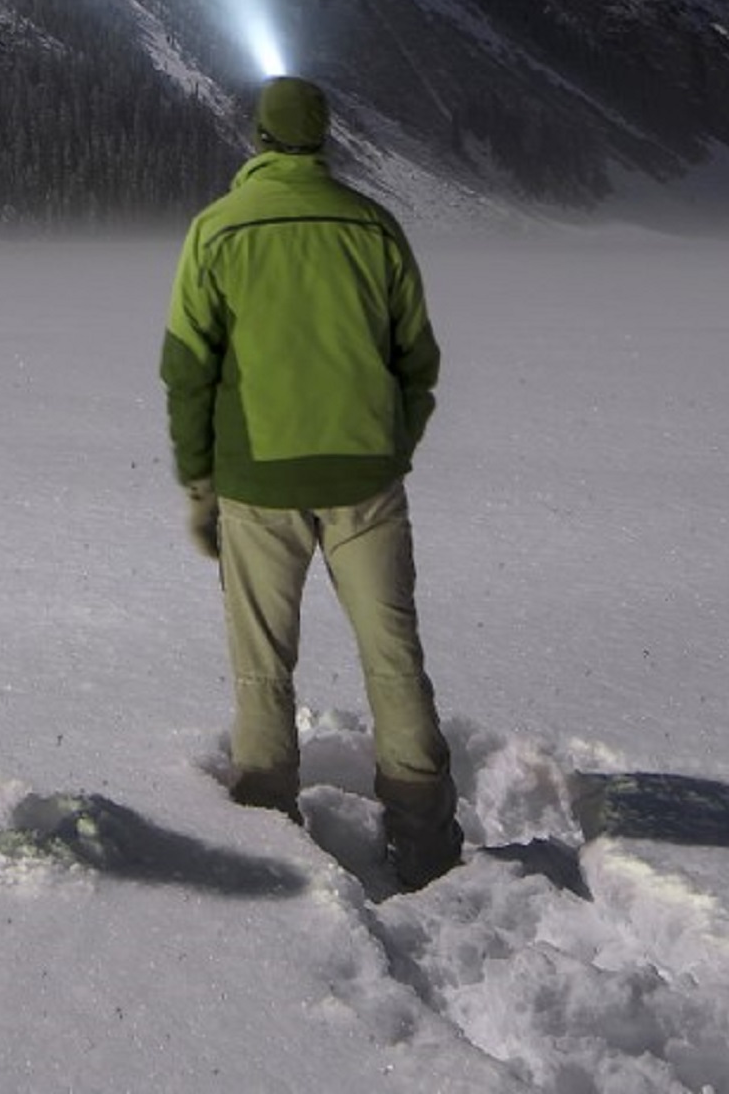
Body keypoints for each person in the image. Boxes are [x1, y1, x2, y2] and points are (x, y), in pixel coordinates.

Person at [161, 74, 464, 892]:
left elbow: (187, 370)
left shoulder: (217, 231)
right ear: (325, 137)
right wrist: (391, 444)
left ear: (257, 137)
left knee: (263, 664)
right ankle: (428, 848)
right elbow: (417, 360)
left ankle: (268, 831)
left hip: (256, 483)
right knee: (393, 657)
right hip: (366, 479)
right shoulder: (374, 226)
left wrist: (199, 482)